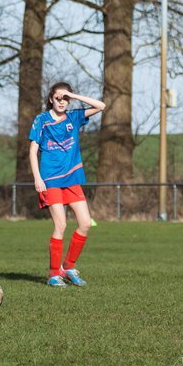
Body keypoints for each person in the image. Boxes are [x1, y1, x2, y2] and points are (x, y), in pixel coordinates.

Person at [29, 82, 105, 286]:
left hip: (72, 179)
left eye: (65, 99)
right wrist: (37, 178)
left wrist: (73, 94)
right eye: (58, 98)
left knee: (85, 224)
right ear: (50, 99)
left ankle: (68, 267)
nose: (61, 102)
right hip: (51, 179)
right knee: (60, 225)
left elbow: (101, 106)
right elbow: (32, 150)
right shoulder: (42, 120)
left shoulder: (74, 117)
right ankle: (54, 274)